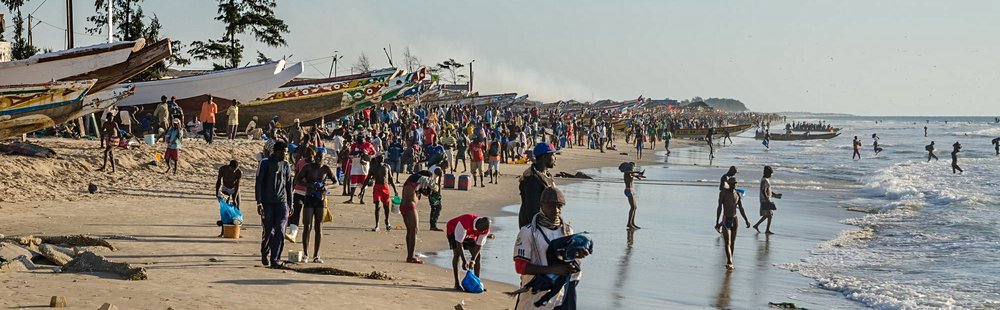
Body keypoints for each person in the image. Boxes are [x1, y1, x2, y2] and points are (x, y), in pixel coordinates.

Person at [512, 187, 585, 309]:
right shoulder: (528, 232)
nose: (556, 210)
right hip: (532, 296)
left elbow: (568, 261)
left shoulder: (567, 231)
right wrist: (552, 270)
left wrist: (577, 256)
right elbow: (520, 267)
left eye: (559, 206)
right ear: (541, 205)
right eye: (551, 206)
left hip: (558, 296)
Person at [294, 148, 337, 264]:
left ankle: (316, 255)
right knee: (307, 226)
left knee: (319, 227)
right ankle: (305, 254)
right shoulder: (308, 167)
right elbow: (297, 180)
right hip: (309, 198)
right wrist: (309, 185)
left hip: (320, 200)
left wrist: (326, 187)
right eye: (317, 157)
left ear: (324, 158)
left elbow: (336, 182)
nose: (318, 159)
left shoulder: (326, 169)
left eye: (320, 157)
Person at [255, 140, 293, 268]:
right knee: (268, 231)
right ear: (277, 152)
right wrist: (259, 202)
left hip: (282, 202)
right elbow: (259, 182)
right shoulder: (264, 163)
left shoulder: (286, 165)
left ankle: (275, 259)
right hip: (267, 202)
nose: (286, 155)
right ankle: (265, 252)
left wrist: (290, 204)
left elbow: (289, 185)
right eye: (284, 152)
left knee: (280, 230)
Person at [447, 214, 492, 291]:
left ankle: (477, 282)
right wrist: (464, 261)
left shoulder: (485, 230)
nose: (482, 232)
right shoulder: (465, 221)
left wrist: (472, 260)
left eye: (484, 230)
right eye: (480, 230)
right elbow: (459, 242)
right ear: (478, 224)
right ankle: (457, 284)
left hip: (469, 234)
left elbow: (478, 245)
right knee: (457, 254)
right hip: (454, 229)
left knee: (478, 256)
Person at [518, 143, 557, 228]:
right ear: (544, 157)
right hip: (533, 228)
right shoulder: (532, 179)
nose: (555, 158)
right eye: (552, 154)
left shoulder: (546, 175)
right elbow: (532, 211)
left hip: (544, 226)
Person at [714, 177, 750, 270]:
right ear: (729, 184)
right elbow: (719, 207)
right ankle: (730, 261)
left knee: (733, 242)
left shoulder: (737, 194)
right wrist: (717, 221)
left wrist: (746, 219)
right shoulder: (723, 193)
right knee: (727, 242)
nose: (734, 185)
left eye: (735, 183)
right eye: (732, 183)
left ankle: (730, 262)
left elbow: (741, 208)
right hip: (726, 219)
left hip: (735, 219)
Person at [400, 170, 435, 264]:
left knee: (410, 231)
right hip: (410, 206)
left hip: (404, 205)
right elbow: (429, 183)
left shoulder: (414, 183)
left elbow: (427, 193)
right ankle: (411, 256)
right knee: (414, 230)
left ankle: (410, 256)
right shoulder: (416, 177)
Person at [361, 155, 398, 232]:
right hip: (377, 187)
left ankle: (387, 221)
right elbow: (367, 178)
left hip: (385, 187)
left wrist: (395, 190)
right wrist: (362, 189)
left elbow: (390, 179)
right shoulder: (373, 167)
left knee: (386, 206)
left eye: (382, 158)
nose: (382, 159)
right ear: (377, 159)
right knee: (377, 205)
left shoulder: (387, 166)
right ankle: (377, 225)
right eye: (380, 158)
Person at [344, 136, 375, 203]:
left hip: (364, 166)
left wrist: (368, 156)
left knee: (363, 184)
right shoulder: (354, 145)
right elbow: (350, 153)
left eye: (361, 142)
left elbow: (374, 153)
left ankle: (361, 199)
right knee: (353, 183)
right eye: (358, 142)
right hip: (355, 166)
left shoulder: (368, 145)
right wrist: (358, 152)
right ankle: (351, 199)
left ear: (364, 140)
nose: (360, 143)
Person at [215, 160, 243, 236]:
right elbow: (218, 181)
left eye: (236, 169)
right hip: (225, 188)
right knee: (224, 210)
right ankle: (223, 232)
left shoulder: (239, 172)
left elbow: (237, 185)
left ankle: (237, 231)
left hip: (234, 189)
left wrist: (234, 199)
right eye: (233, 169)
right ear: (229, 167)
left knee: (237, 208)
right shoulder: (223, 169)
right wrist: (217, 192)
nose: (234, 171)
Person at [752, 166, 781, 234]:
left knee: (767, 215)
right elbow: (763, 190)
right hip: (765, 200)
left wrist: (775, 195)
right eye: (771, 173)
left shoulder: (766, 179)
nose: (771, 175)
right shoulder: (765, 180)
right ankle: (767, 230)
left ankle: (757, 225)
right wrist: (767, 199)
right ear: (768, 173)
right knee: (769, 215)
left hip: (765, 199)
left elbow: (768, 190)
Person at [620, 162, 645, 229]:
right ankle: (629, 223)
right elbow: (629, 172)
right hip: (628, 190)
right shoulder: (626, 172)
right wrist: (638, 172)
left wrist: (638, 175)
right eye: (633, 167)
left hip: (631, 190)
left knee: (635, 207)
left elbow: (633, 175)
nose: (634, 168)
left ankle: (632, 223)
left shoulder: (630, 173)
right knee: (633, 207)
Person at [427, 161, 449, 231]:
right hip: (433, 190)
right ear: (444, 165)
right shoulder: (439, 170)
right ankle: (433, 225)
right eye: (445, 168)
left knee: (434, 207)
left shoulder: (434, 165)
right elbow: (439, 184)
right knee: (437, 207)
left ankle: (432, 225)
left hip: (428, 188)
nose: (445, 169)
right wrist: (439, 194)